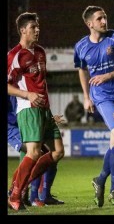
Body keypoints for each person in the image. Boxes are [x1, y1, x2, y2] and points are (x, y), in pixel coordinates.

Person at [74, 5, 114, 207]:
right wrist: (86, 96)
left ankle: (100, 179)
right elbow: (82, 70)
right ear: (89, 23)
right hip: (102, 97)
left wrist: (108, 75)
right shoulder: (81, 47)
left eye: (105, 17)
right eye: (99, 18)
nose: (104, 21)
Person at [7, 12, 65, 211]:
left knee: (57, 152)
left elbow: (41, 83)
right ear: (23, 30)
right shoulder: (15, 55)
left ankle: (17, 188)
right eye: (33, 27)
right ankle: (16, 194)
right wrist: (26, 95)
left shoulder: (40, 51)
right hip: (28, 109)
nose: (37, 30)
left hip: (44, 110)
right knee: (33, 152)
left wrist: (49, 109)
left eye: (38, 27)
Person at [8, 95, 65, 207]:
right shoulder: (14, 85)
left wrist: (46, 118)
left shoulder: (22, 85)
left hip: (31, 121)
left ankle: (42, 194)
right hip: (13, 127)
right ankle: (26, 194)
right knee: (35, 154)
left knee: (52, 154)